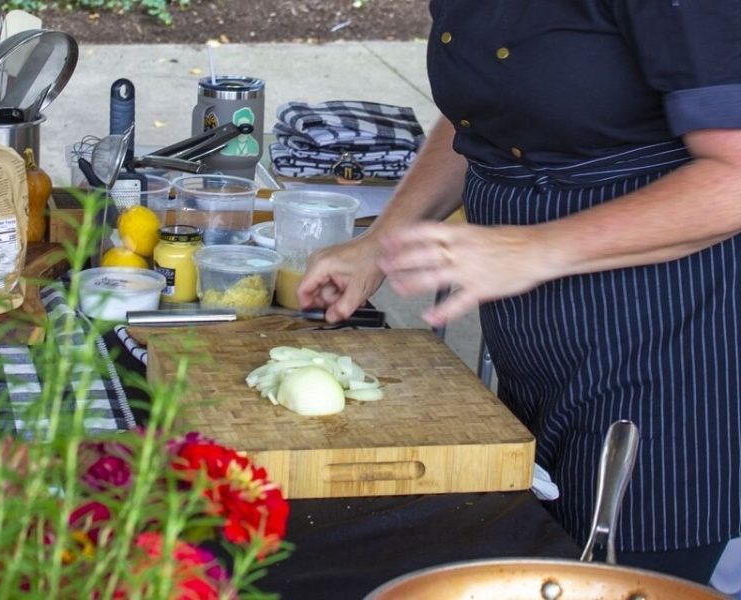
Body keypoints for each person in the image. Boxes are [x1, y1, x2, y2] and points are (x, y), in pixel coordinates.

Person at [297, 0, 741, 586]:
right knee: (532, 551)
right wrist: (384, 239)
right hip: (536, 332)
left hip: (669, 342)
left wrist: (535, 248)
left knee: (615, 577)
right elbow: (482, 116)